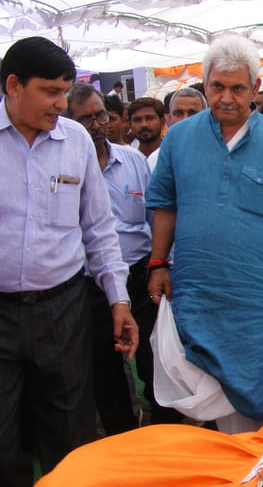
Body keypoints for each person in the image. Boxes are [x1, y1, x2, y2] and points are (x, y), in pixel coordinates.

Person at [146, 35, 263, 431]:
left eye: (237, 88)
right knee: (208, 385)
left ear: (255, 88)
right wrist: (158, 262)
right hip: (201, 295)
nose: (226, 98)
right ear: (205, 84)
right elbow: (165, 204)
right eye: (217, 87)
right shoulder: (178, 139)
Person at [0, 36, 138, 487]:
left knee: (69, 431)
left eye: (64, 91)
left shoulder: (74, 140)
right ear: (14, 85)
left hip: (62, 310)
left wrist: (118, 300)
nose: (61, 104)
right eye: (50, 91)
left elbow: (99, 227)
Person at [66, 82, 183, 432]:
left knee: (154, 357)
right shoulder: (66, 165)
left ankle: (165, 429)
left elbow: (156, 217)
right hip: (91, 284)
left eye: (101, 115)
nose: (97, 125)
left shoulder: (133, 161)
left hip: (139, 275)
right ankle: (122, 433)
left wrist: (161, 264)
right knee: (105, 365)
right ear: (69, 123)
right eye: (86, 119)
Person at [147, 88, 207, 171]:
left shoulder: (220, 154)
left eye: (192, 113)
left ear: (206, 116)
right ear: (169, 118)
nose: (185, 119)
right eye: (179, 113)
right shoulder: (156, 159)